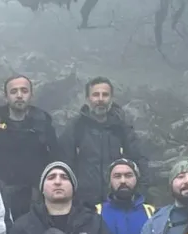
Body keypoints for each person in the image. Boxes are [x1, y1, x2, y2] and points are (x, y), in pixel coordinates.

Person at [0, 75, 59, 219]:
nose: (19, 95)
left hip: (37, 205)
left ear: (31, 95)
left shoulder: (44, 127)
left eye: (24, 91)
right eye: (14, 91)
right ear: (6, 96)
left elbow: (55, 163)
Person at [59, 77, 147, 206]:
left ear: (111, 98)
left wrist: (141, 194)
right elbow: (63, 163)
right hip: (82, 204)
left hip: (118, 203)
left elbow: (139, 161)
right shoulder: (76, 127)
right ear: (88, 98)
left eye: (105, 95)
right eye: (95, 95)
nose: (100, 99)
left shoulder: (122, 128)